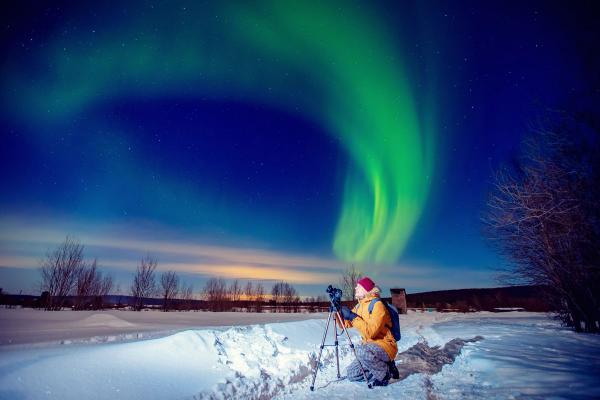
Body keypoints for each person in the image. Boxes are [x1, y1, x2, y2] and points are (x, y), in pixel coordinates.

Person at [339, 276, 398, 386]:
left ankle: (384, 374)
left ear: (366, 289)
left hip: (384, 346)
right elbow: (345, 324)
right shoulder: (359, 306)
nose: (355, 288)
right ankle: (385, 365)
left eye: (358, 286)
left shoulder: (377, 305)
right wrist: (337, 312)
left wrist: (352, 317)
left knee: (360, 351)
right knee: (351, 374)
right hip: (369, 349)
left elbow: (371, 332)